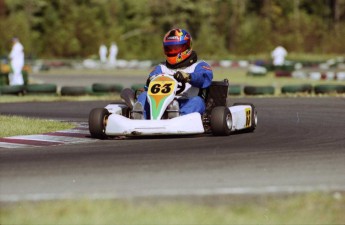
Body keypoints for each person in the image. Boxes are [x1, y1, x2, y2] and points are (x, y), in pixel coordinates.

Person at [133, 28, 213, 119]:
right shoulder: (161, 68)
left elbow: (205, 79)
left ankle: (179, 118)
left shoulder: (198, 66)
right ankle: (140, 117)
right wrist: (151, 80)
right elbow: (149, 83)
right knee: (143, 95)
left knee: (197, 102)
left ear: (187, 47)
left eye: (175, 48)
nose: (172, 51)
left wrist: (189, 77)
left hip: (186, 101)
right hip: (161, 103)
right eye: (169, 49)